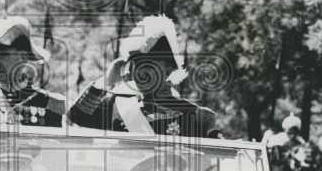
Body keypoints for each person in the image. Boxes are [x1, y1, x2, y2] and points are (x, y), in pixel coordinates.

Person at [69, 15, 217, 137]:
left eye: (148, 65)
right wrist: (106, 82)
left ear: (168, 70)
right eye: (136, 64)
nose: (140, 72)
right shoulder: (115, 104)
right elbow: (76, 117)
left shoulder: (193, 116)